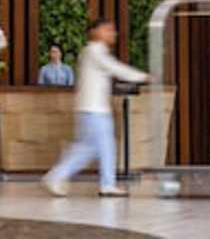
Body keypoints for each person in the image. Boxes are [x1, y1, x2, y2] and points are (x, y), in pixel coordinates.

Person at [42, 18, 150, 198]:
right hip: (94, 110)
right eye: (107, 29)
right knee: (92, 148)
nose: (112, 33)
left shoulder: (93, 52)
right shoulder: (94, 51)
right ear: (95, 32)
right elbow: (115, 68)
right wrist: (142, 77)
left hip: (92, 109)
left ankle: (104, 183)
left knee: (98, 146)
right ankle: (59, 176)